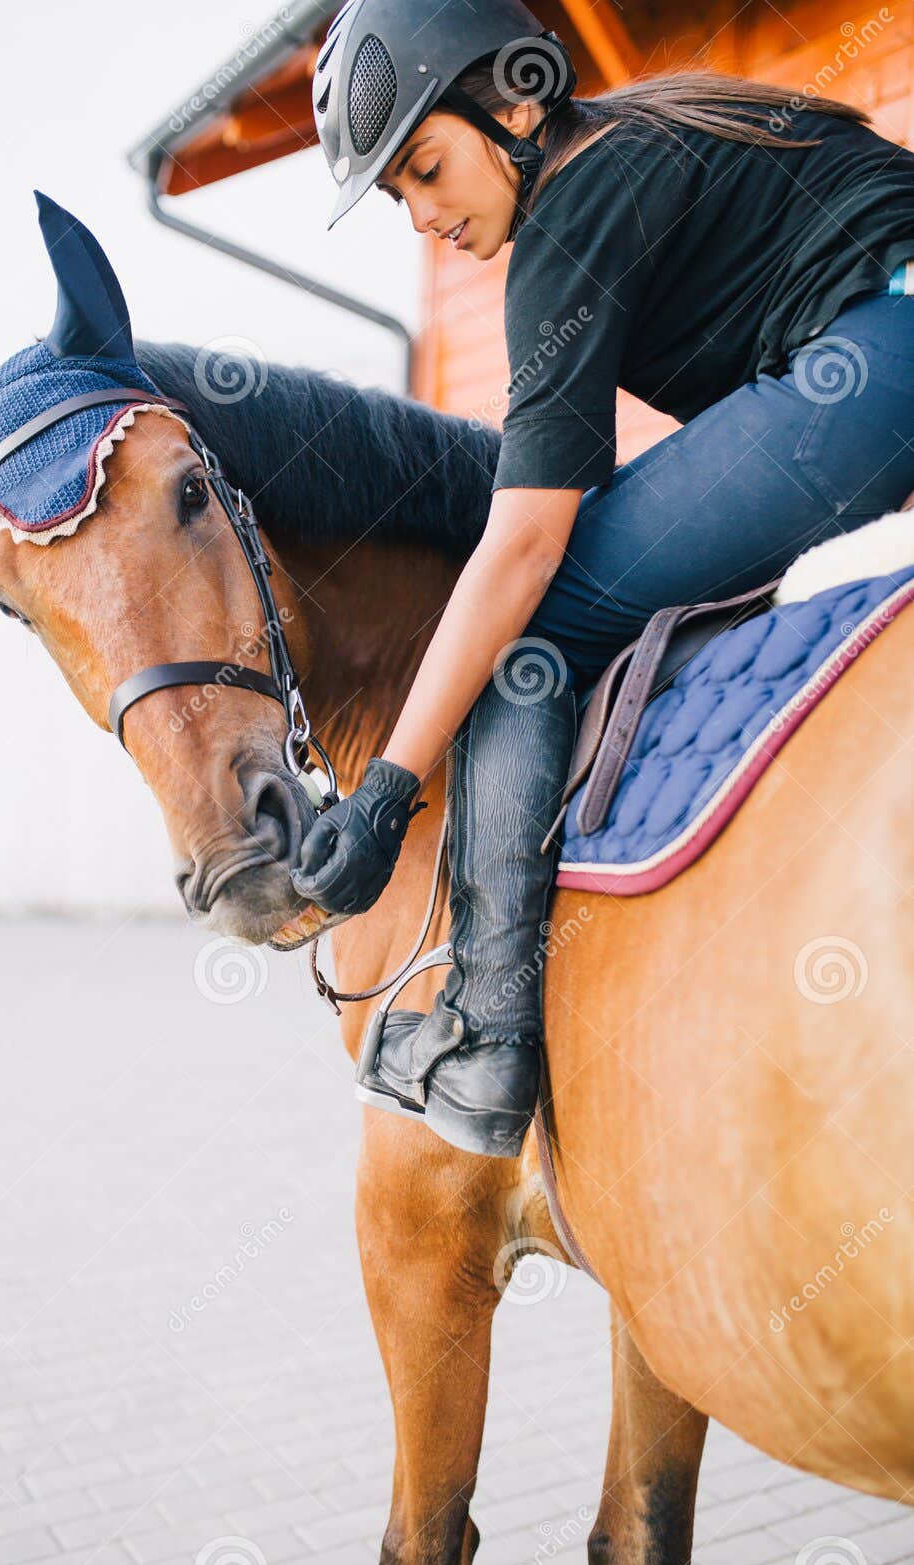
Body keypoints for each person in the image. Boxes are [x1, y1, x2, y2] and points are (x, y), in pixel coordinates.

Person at [290, 0, 914, 1158]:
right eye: (397, 199)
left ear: (515, 99)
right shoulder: (646, 136)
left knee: (534, 631)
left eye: (425, 166)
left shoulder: (573, 210)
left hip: (880, 363)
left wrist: (384, 786)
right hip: (880, 348)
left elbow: (522, 547)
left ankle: (482, 1036)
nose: (424, 216)